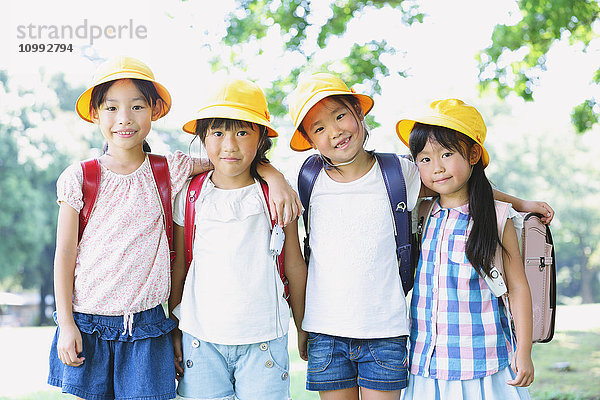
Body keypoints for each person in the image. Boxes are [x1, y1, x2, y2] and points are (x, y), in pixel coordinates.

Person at [286, 74, 553, 400]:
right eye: (319, 127)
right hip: (338, 334)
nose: (335, 130)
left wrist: (520, 204)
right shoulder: (308, 180)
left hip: (394, 334)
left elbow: (465, 187)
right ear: (309, 140)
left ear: (358, 112)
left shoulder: (400, 173)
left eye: (340, 115)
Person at [48, 57, 298, 400]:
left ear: (153, 110)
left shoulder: (171, 170)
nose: (124, 118)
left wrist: (275, 176)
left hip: (148, 324)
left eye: (137, 106)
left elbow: (229, 159)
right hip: (88, 323)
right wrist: (66, 324)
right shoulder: (80, 177)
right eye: (111, 108)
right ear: (94, 113)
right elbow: (65, 254)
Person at [169, 77, 308, 400]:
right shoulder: (189, 196)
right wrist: (174, 327)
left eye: (242, 132)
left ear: (260, 140)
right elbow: (179, 268)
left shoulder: (276, 197)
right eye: (217, 132)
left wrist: (302, 326)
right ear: (203, 137)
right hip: (199, 340)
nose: (229, 145)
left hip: (264, 340)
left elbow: (294, 265)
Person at [396, 98, 536, 399]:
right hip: (427, 362)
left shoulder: (497, 218)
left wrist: (524, 350)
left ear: (473, 154)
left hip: (484, 361)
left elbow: (519, 288)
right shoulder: (422, 213)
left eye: (447, 154)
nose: (437, 168)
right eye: (425, 159)